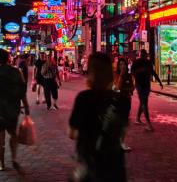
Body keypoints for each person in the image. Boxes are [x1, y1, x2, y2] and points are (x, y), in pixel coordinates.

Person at [68, 52, 126, 182]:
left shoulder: (84, 98)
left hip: (91, 164)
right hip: (115, 165)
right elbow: (121, 132)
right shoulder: (121, 100)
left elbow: (72, 133)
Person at [0, 49, 29, 171]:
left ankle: (1, 164)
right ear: (9, 58)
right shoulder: (17, 72)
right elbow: (22, 91)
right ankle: (13, 158)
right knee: (13, 134)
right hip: (13, 110)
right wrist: (27, 106)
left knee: (0, 138)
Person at [131, 49, 163, 131]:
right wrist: (140, 71)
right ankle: (149, 124)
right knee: (144, 103)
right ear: (140, 55)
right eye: (141, 55)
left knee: (143, 102)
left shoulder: (148, 62)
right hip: (139, 85)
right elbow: (132, 72)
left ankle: (137, 118)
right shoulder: (136, 62)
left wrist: (159, 82)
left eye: (144, 55)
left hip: (146, 85)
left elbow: (153, 72)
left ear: (146, 55)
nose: (143, 56)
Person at [114, 57, 134, 151]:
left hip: (126, 101)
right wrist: (121, 77)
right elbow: (116, 89)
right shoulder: (116, 75)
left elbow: (132, 88)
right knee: (118, 122)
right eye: (120, 64)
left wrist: (128, 90)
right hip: (117, 101)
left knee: (124, 122)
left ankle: (121, 142)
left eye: (124, 64)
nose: (122, 66)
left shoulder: (129, 76)